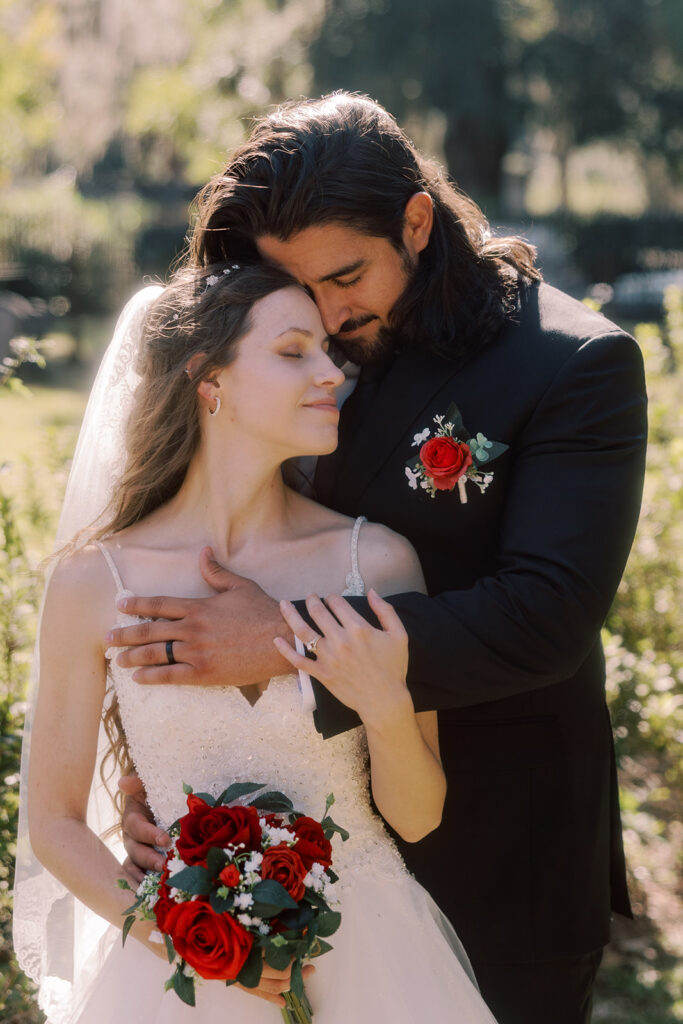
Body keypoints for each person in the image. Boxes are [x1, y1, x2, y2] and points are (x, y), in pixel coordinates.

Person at [113, 93, 648, 1024]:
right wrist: (163, 769)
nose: (322, 312)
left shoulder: (574, 365)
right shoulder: (288, 330)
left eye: (345, 275)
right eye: (295, 286)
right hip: (276, 843)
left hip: (497, 852)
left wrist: (282, 638)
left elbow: (543, 619)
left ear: (416, 221)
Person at [16, 262, 499, 1023]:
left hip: (371, 961)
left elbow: (416, 816)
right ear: (210, 380)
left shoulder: (374, 562)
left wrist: (382, 704)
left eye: (326, 351)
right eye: (293, 351)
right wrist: (188, 943)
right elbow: (56, 825)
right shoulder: (92, 583)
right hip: (177, 980)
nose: (330, 373)